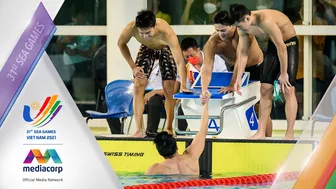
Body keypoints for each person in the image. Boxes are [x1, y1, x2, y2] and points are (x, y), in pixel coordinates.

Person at [227, 4, 299, 140]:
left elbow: (282, 48)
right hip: (274, 44)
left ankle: (289, 133)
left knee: (288, 89)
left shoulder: (265, 20)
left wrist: (283, 74)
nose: (240, 30)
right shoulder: (242, 27)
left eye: (241, 26)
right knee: (265, 89)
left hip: (288, 43)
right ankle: (260, 132)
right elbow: (242, 54)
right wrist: (237, 79)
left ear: (247, 19)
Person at [200, 11, 273, 137]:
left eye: (223, 30)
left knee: (259, 107)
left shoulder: (244, 35)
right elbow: (206, 68)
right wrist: (204, 89)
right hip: (236, 69)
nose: (220, 34)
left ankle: (268, 139)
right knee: (237, 106)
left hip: (257, 68)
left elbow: (241, 59)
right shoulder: (213, 43)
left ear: (233, 25)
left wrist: (233, 84)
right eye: (217, 30)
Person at [117, 10, 189, 137]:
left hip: (165, 48)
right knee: (138, 85)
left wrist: (183, 85)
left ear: (155, 26)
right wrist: (133, 67)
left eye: (148, 32)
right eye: (142, 33)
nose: (145, 36)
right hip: (146, 49)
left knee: (169, 88)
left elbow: (180, 62)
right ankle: (139, 129)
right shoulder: (131, 28)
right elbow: (121, 44)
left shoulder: (167, 33)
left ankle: (168, 128)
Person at [145, 102, 209, 175]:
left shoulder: (156, 169)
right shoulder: (191, 157)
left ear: (160, 152)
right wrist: (205, 103)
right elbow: (203, 130)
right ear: (177, 147)